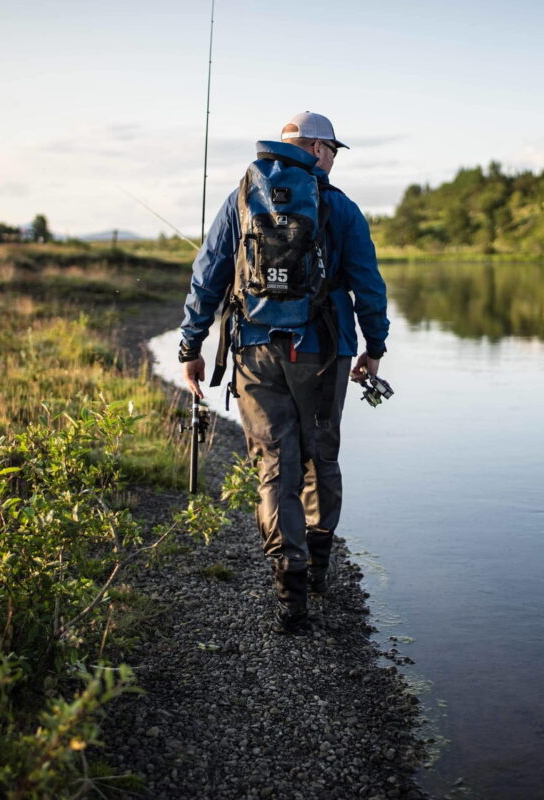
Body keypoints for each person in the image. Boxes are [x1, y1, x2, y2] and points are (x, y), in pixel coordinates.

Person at [178, 111, 389, 634]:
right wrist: (375, 346)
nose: (333, 158)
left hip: (253, 350)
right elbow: (368, 282)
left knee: (275, 465)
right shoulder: (338, 207)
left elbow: (207, 275)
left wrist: (190, 344)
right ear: (315, 148)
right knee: (322, 455)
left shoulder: (240, 199)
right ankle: (318, 568)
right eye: (332, 149)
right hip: (325, 349)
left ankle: (289, 589)